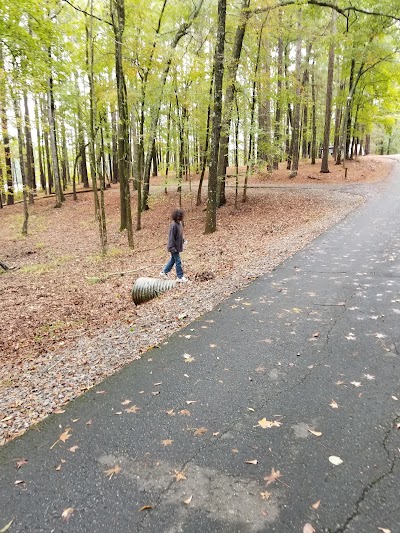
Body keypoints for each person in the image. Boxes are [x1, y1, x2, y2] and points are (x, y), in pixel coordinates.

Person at [160, 208, 188, 282]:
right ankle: (180, 276)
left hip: (177, 247)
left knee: (173, 260)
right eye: (178, 216)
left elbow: (180, 235)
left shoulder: (180, 224)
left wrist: (183, 240)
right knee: (178, 261)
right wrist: (172, 247)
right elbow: (171, 237)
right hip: (173, 247)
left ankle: (164, 272)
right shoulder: (173, 225)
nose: (179, 217)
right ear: (175, 216)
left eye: (180, 216)